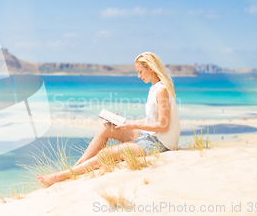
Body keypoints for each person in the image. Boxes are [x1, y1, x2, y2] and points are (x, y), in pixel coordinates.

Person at [36, 52, 180, 184]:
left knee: (107, 153)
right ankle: (75, 168)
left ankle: (60, 177)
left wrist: (133, 125)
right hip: (149, 136)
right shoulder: (154, 88)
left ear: (151, 69)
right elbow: (152, 120)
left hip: (159, 143)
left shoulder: (161, 90)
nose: (138, 76)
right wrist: (126, 123)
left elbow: (163, 125)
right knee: (107, 128)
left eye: (140, 72)